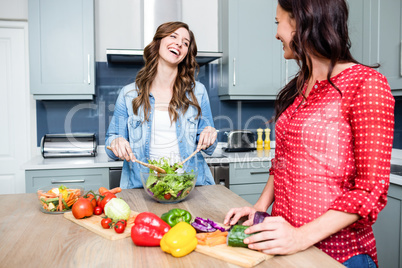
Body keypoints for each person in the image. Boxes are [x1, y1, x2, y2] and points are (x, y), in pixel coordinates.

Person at [223, 1, 394, 267]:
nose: (276, 33)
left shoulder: (365, 83)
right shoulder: (299, 87)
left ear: (301, 21)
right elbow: (282, 163)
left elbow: (371, 191)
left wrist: (300, 236)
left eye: (277, 22)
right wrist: (259, 209)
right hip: (287, 249)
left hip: (340, 255)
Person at [105, 21, 217, 189]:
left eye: (185, 43)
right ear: (158, 43)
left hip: (189, 187)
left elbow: (210, 148)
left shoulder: (197, 91)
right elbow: (110, 145)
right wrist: (117, 141)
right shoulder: (129, 94)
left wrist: (210, 133)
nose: (179, 43)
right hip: (142, 187)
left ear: (186, 53)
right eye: (173, 36)